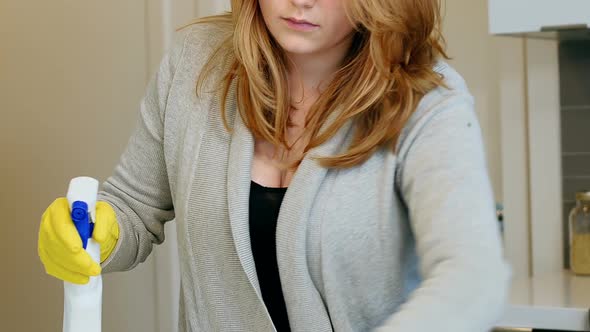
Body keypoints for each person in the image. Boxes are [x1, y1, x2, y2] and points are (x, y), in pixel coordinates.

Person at [38, 0, 511, 331]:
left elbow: (472, 278)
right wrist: (100, 232)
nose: (299, 1)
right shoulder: (195, 61)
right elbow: (134, 205)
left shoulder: (426, 101)